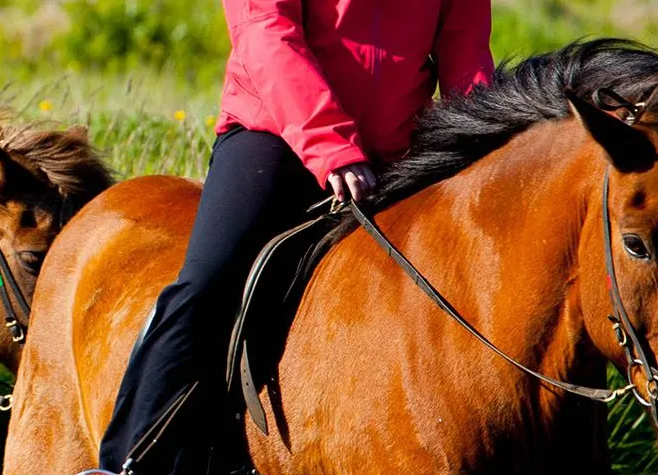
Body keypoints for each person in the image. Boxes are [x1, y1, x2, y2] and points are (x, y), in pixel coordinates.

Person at [93, 0, 494, 472]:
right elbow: (265, 32)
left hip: (396, 152)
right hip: (276, 136)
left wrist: (482, 153)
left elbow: (467, 57)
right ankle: (127, 463)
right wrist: (332, 145)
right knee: (209, 283)